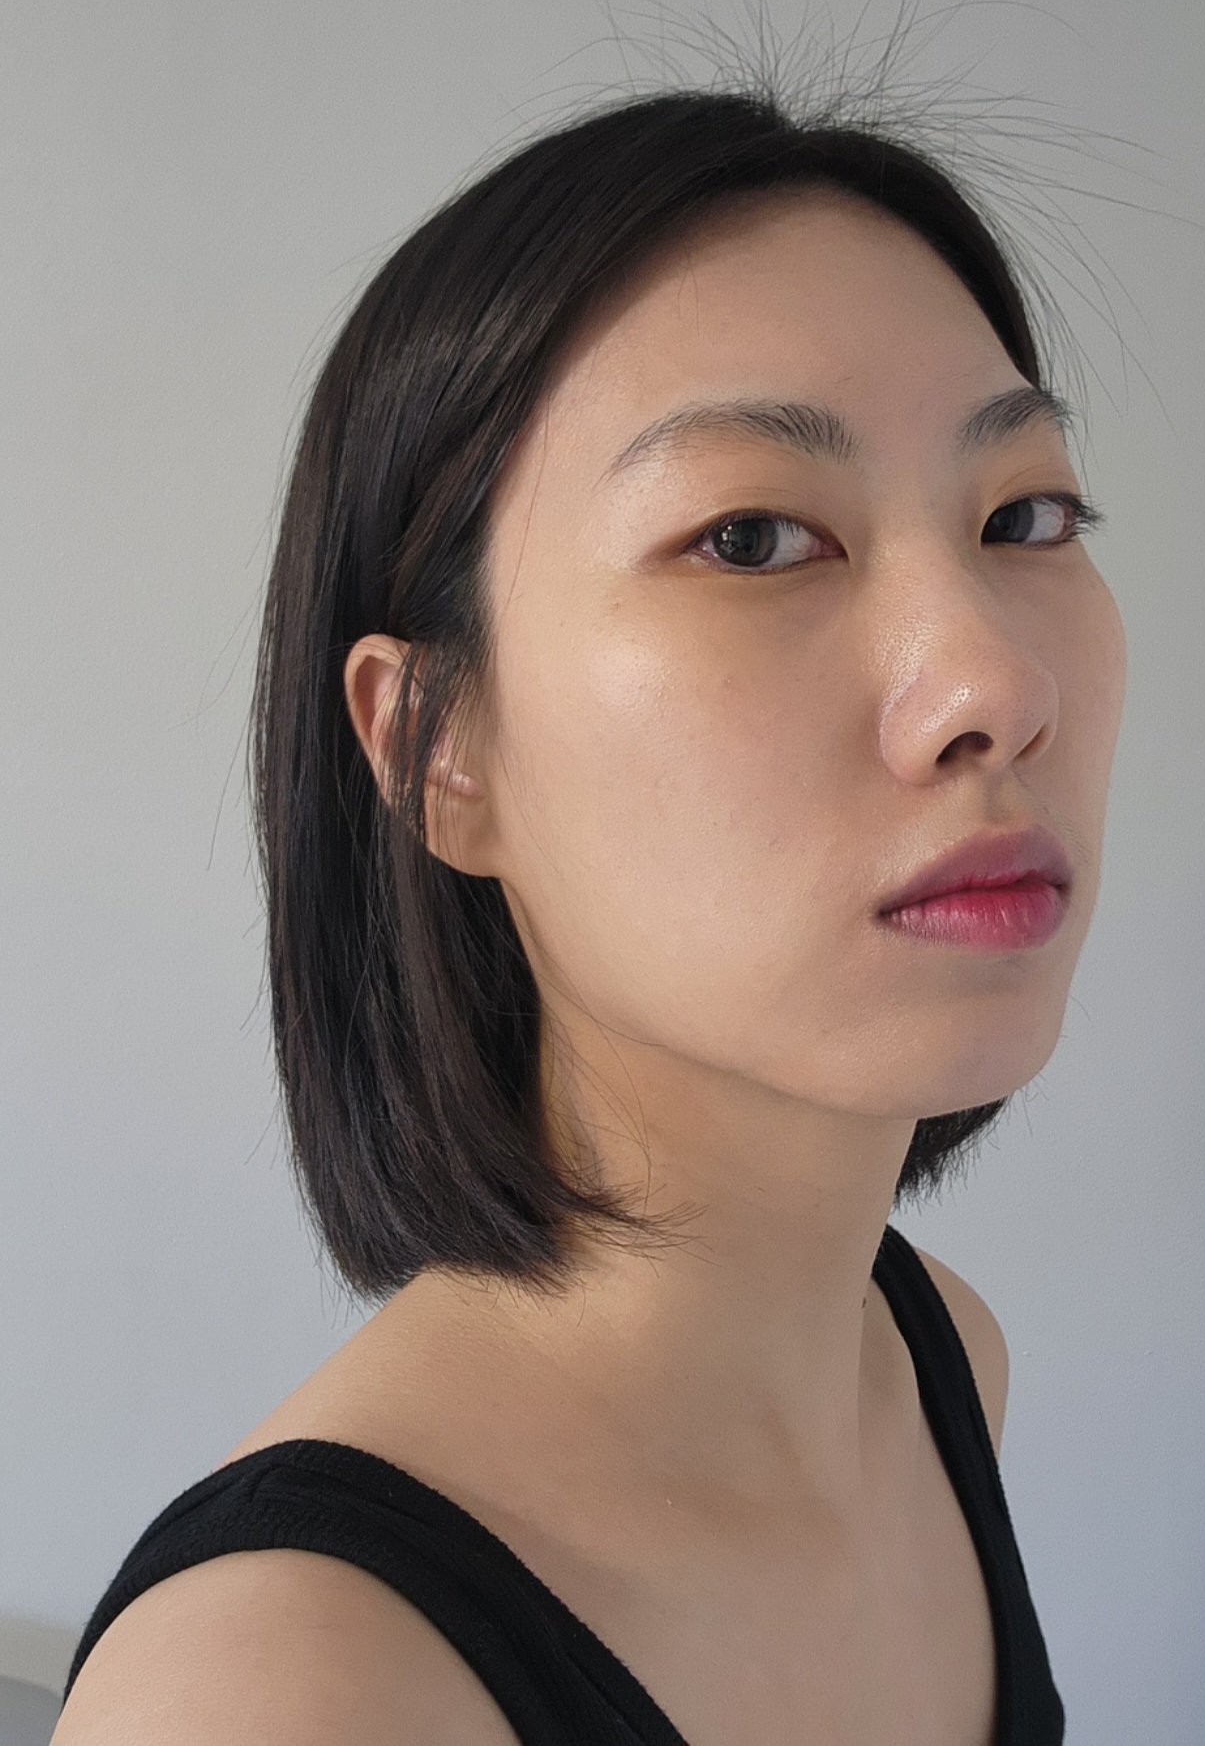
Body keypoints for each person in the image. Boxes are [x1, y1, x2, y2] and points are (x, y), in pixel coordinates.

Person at [54, 85, 1126, 1746]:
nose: (996, 681)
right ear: (438, 748)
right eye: (754, 538)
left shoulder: (938, 1365)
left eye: (1024, 516)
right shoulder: (283, 1693)